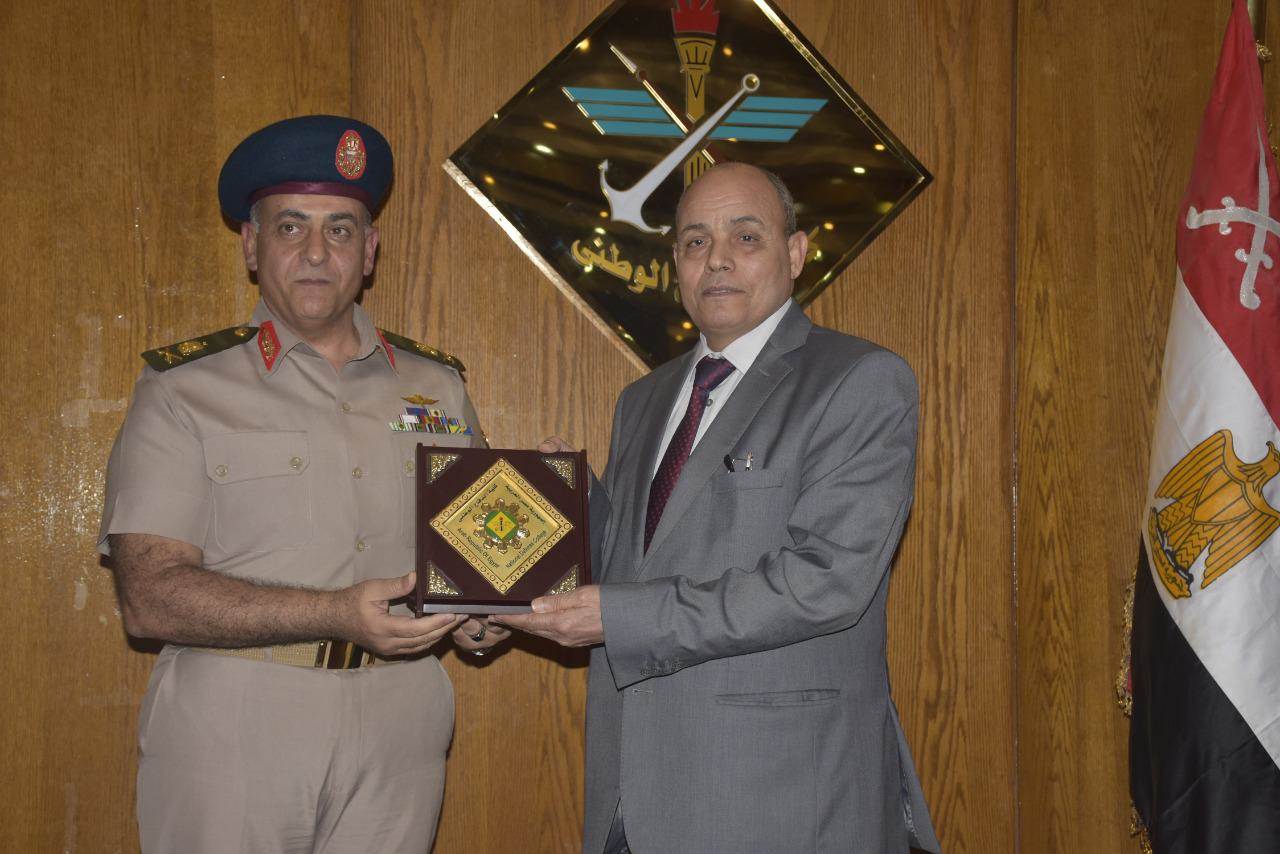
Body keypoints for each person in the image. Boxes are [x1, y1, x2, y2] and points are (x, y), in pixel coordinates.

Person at [501, 162, 941, 853]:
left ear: (795, 253)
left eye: (746, 236)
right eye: (696, 241)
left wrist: (620, 616)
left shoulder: (858, 380)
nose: (718, 259)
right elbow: (637, 560)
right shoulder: (644, 400)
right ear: (676, 264)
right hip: (632, 796)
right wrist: (568, 509)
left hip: (781, 799)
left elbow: (824, 582)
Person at [98, 114, 506, 853]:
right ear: (252, 246)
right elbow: (149, 596)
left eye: (341, 229)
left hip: (400, 725)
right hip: (235, 727)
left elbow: (471, 563)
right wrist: (337, 613)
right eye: (291, 227)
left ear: (369, 250)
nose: (317, 252)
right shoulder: (184, 389)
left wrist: (486, 611)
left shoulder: (438, 387)